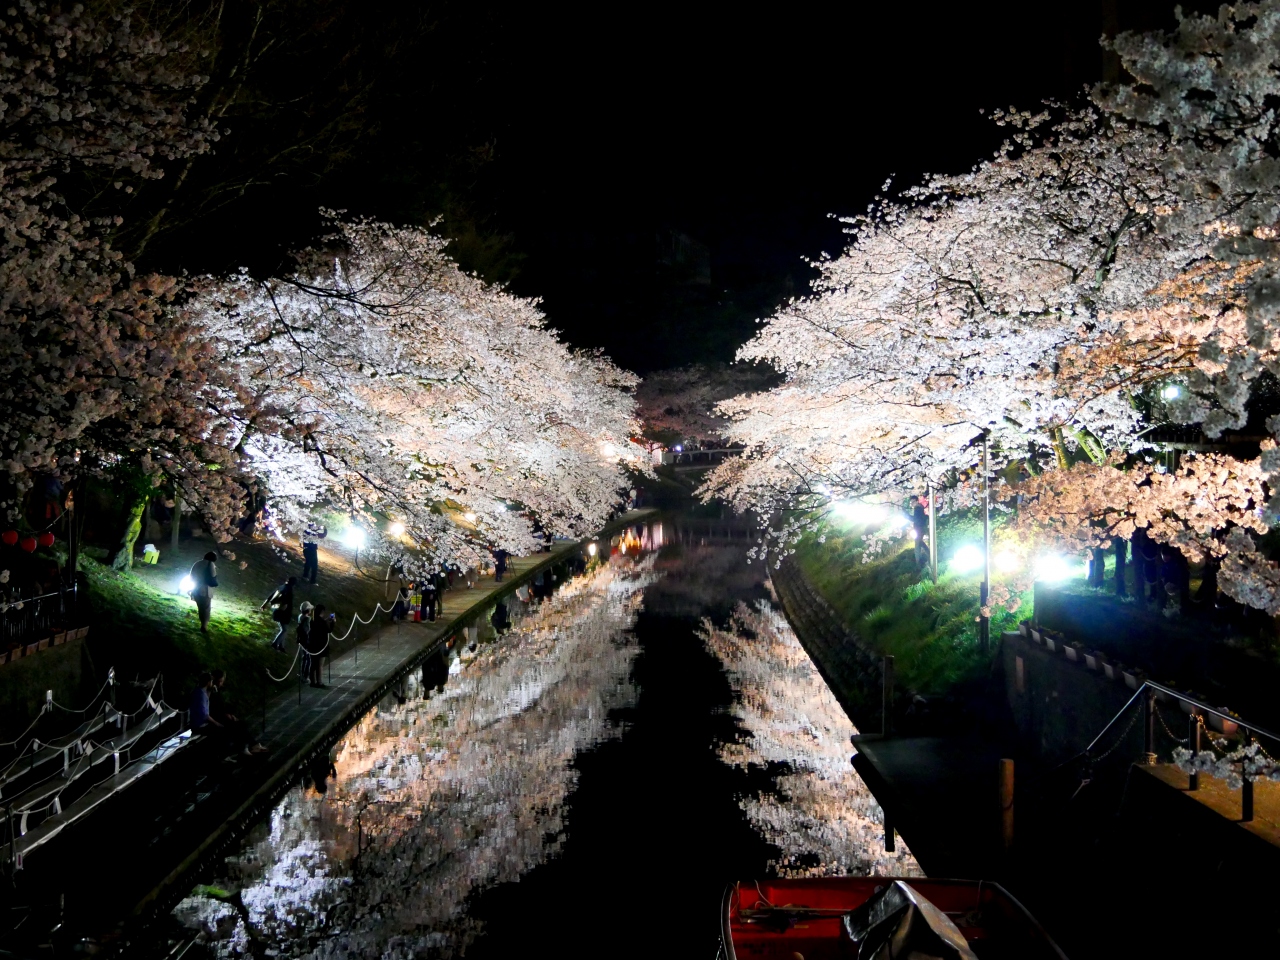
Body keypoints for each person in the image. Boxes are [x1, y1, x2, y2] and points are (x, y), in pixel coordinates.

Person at [210, 669, 268, 754]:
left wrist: (229, 714)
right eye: (220, 681)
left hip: (220, 716)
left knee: (240, 724)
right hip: (215, 718)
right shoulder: (211, 691)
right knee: (238, 725)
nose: (221, 683)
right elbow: (214, 708)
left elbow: (221, 705)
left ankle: (250, 746)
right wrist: (226, 715)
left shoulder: (216, 690)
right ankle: (247, 747)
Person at [261, 576, 297, 651]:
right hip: (284, 613)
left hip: (276, 610)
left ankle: (281, 646)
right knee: (284, 630)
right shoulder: (289, 590)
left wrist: (264, 605)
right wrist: (284, 609)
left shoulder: (281, 587)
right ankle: (275, 644)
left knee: (284, 629)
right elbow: (287, 602)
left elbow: (271, 596)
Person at [188, 551, 219, 633]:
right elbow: (213, 575)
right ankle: (204, 626)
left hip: (196, 589)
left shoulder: (197, 563)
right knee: (206, 608)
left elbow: (191, 575)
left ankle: (202, 624)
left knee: (200, 608)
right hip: (205, 590)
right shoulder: (210, 564)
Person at [308, 605, 332, 687]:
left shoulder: (312, 620)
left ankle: (312, 681)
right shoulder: (322, 622)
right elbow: (329, 630)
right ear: (322, 612)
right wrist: (332, 623)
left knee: (313, 664)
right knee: (320, 665)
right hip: (321, 646)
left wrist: (325, 620)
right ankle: (319, 682)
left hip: (312, 645)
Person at [302, 521, 327, 585]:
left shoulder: (310, 532)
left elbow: (322, 535)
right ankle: (311, 580)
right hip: (310, 551)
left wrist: (323, 529)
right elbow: (322, 535)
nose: (315, 527)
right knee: (312, 565)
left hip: (309, 550)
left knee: (309, 564)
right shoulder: (308, 532)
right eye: (314, 526)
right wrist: (323, 529)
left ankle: (306, 577)